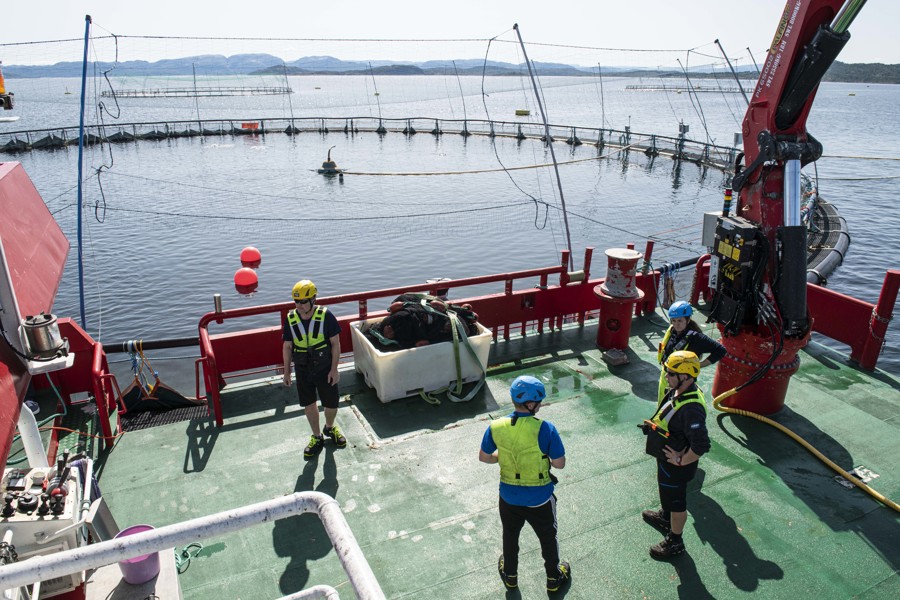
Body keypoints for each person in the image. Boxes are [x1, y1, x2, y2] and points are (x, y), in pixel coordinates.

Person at [479, 375, 570, 592]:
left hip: (509, 497)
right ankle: (553, 578)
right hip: (540, 499)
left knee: (510, 535)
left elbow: (484, 457)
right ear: (530, 404)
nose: (540, 405)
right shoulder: (546, 428)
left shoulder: (496, 426)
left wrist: (502, 457)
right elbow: (559, 464)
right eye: (538, 402)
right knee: (548, 537)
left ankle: (510, 576)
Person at [640, 351, 710, 559]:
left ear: (686, 376)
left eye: (671, 373)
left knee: (677, 501)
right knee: (667, 495)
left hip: (676, 467)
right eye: (666, 371)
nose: (666, 376)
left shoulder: (692, 409)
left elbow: (701, 444)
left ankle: (675, 541)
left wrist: (681, 460)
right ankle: (665, 516)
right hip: (666, 460)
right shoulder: (680, 390)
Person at [282, 279, 346, 459]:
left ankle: (329, 427)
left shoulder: (326, 316)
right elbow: (287, 346)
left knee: (331, 403)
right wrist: (287, 372)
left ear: (313, 299)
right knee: (309, 403)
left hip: (324, 367)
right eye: (296, 301)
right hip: (303, 369)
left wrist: (334, 369)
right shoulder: (291, 319)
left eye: (303, 301)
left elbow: (335, 344)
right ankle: (317, 436)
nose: (299, 305)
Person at [657, 301, 726, 402]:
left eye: (680, 321)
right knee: (662, 404)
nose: (676, 324)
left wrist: (700, 365)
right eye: (674, 321)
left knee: (678, 406)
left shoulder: (697, 338)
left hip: (682, 381)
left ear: (688, 320)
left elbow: (720, 350)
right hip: (667, 376)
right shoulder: (672, 331)